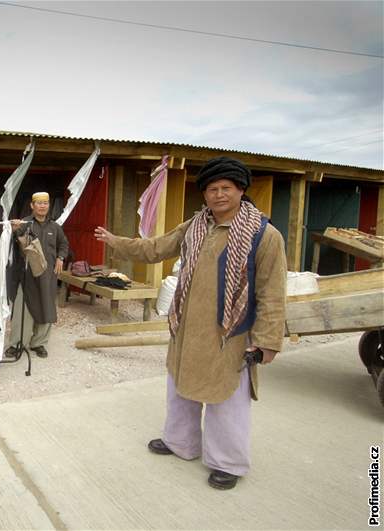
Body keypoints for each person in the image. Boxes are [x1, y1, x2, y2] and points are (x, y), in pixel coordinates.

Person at [94, 157, 286, 490]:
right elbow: (155, 248)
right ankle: (180, 442)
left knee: (226, 398)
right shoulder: (196, 225)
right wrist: (116, 242)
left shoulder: (264, 235)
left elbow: (272, 291)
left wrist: (268, 341)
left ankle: (227, 462)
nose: (219, 195)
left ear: (241, 189)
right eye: (212, 189)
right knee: (180, 389)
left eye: (226, 187)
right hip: (186, 328)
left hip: (230, 333)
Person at [6, 192, 69, 358]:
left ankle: (39, 343)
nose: (42, 206)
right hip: (26, 277)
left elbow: (64, 244)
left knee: (46, 308)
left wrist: (60, 258)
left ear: (48, 205)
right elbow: (10, 244)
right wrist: (13, 231)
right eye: (39, 203)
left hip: (47, 276)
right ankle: (17, 344)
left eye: (46, 203)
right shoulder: (24, 224)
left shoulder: (55, 227)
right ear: (32, 205)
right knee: (22, 310)